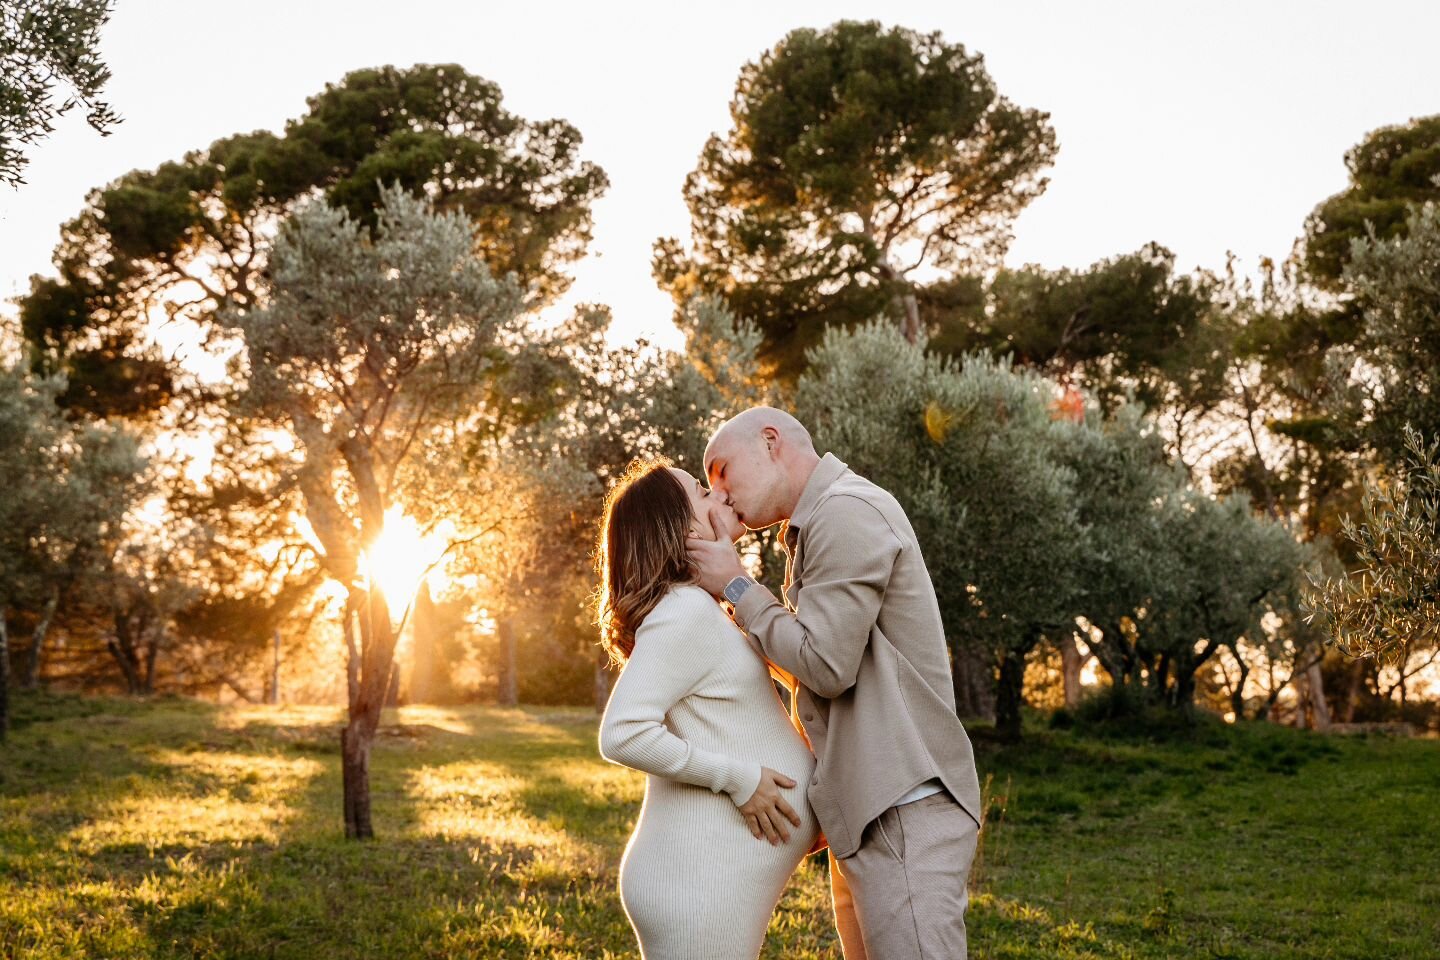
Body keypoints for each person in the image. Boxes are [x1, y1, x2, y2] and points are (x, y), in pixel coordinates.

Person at [688, 405, 983, 959]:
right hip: (869, 808)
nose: (720, 494)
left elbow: (826, 665)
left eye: (722, 470)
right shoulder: (818, 524)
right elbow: (812, 668)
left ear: (771, 442)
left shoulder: (844, 512)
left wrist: (736, 587)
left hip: (901, 803)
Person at [596, 457, 820, 959]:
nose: (720, 495)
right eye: (702, 492)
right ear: (677, 529)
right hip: (696, 882)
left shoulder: (702, 608)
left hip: (704, 876)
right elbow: (623, 732)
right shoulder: (684, 612)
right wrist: (741, 780)